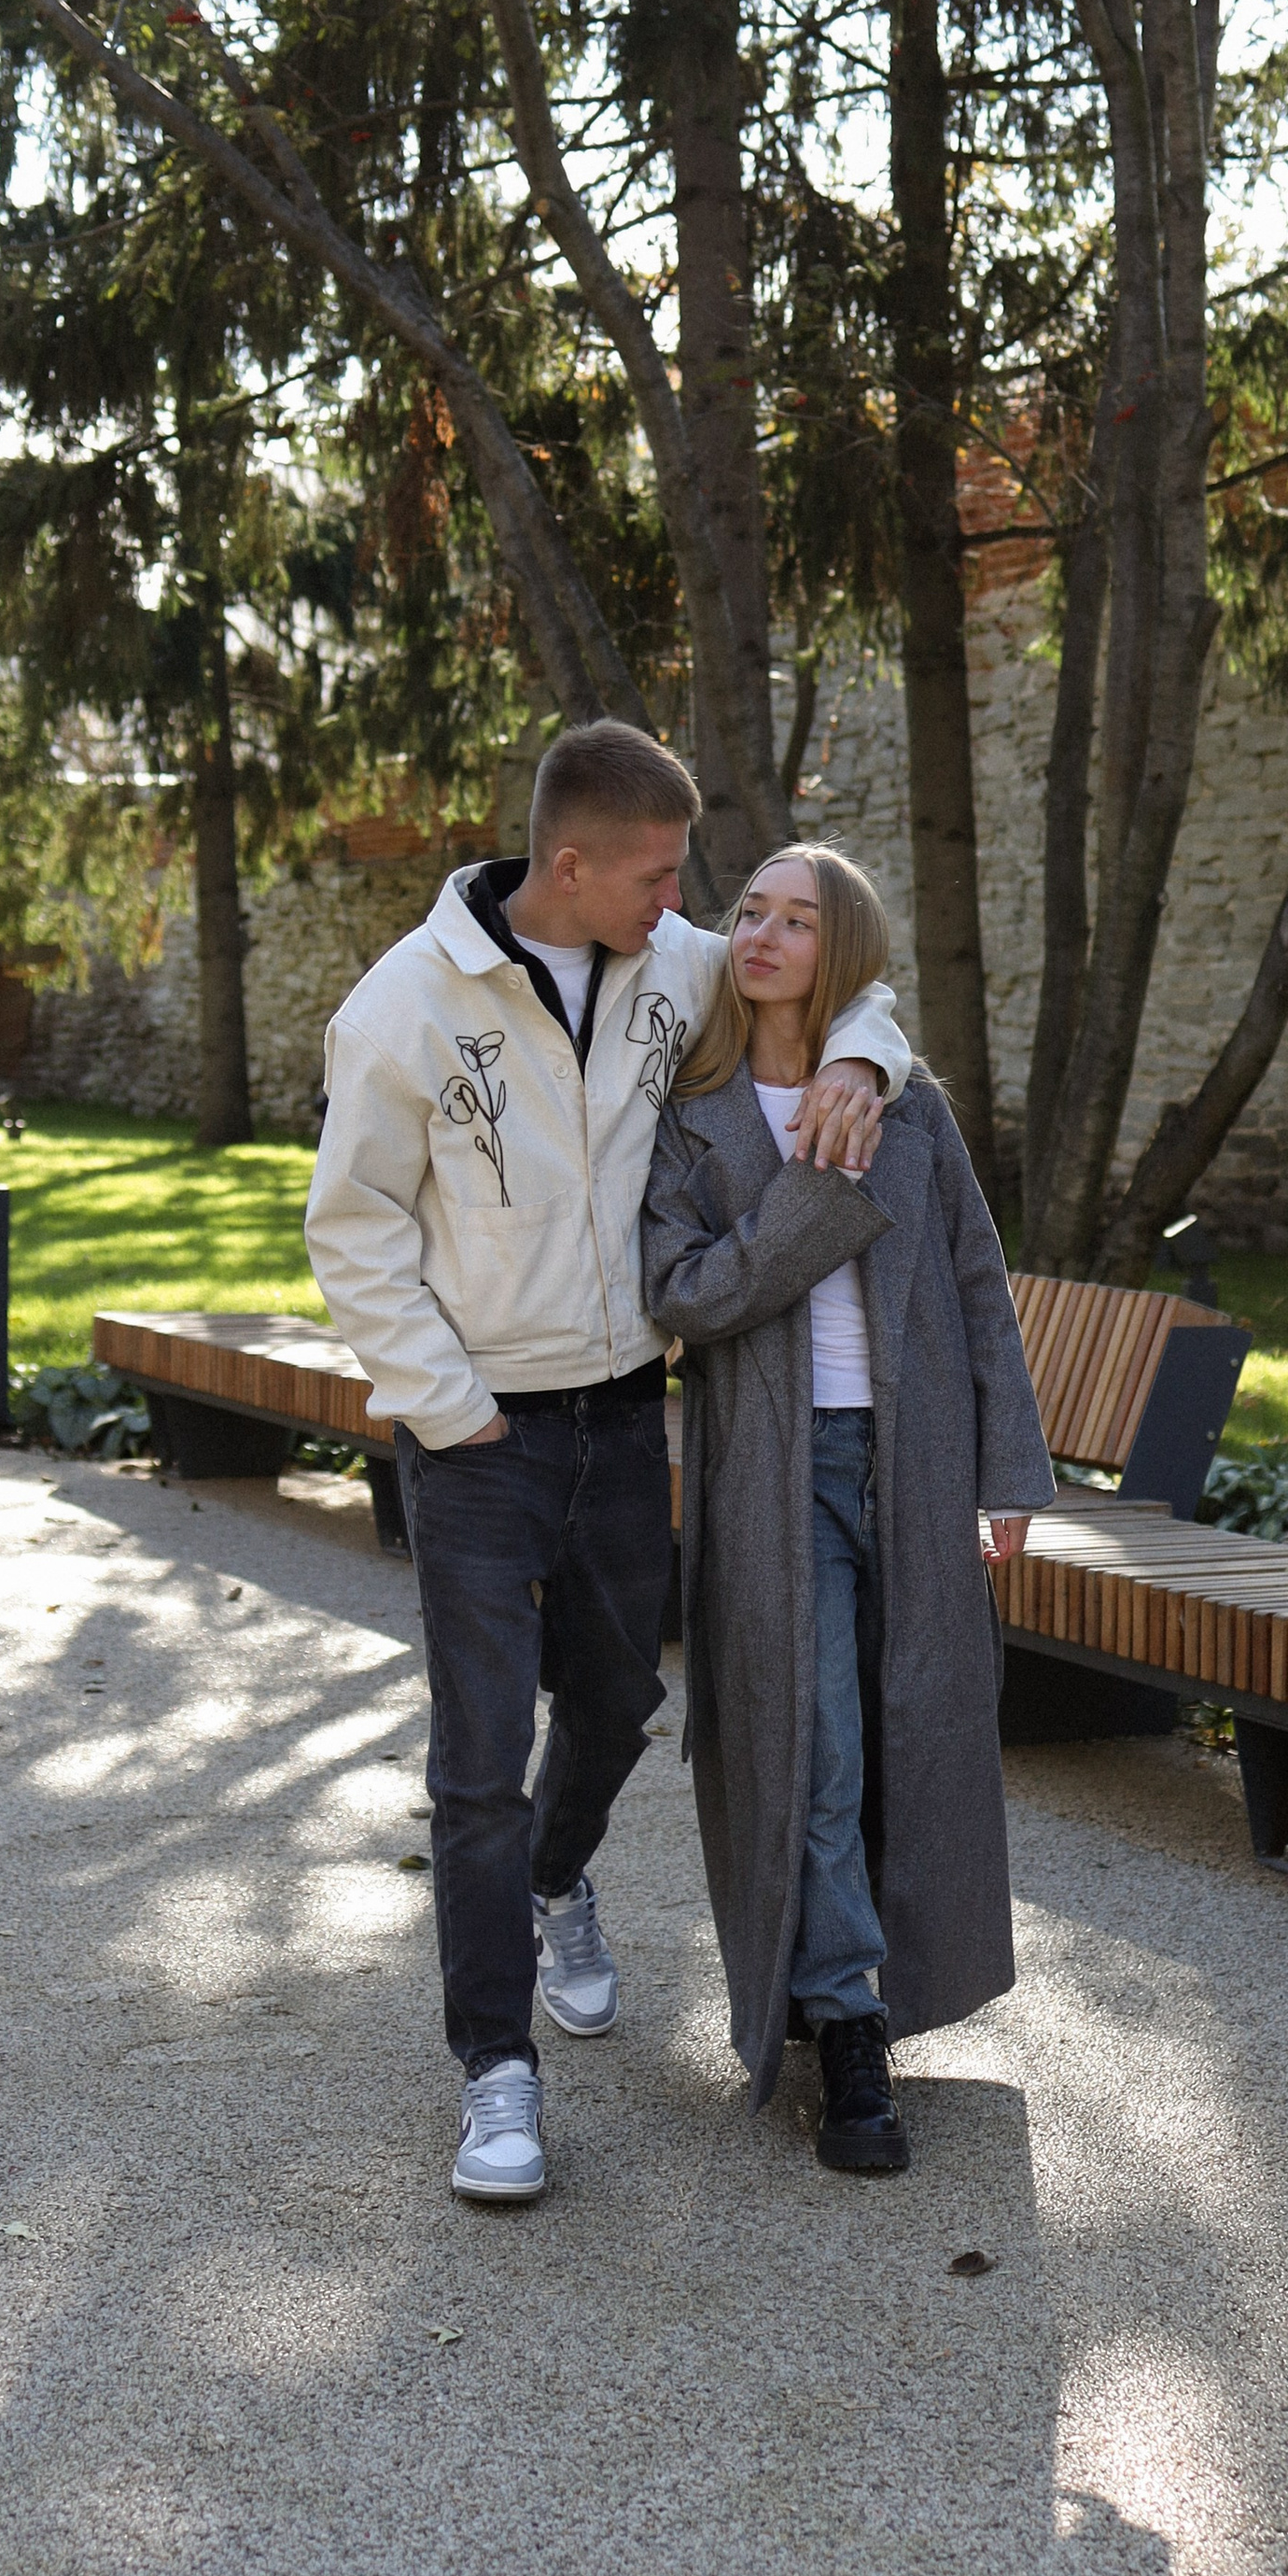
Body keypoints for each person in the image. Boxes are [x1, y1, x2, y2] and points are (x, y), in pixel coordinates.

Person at [304, 724, 912, 2202]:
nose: (681, 902)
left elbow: (839, 977)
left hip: (628, 1420)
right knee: (476, 1764)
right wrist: (450, 1407)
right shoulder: (402, 1008)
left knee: (620, 1703)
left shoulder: (669, 965)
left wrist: (862, 1057)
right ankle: (496, 2080)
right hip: (478, 1442)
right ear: (570, 865)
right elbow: (354, 1228)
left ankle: (559, 1878)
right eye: (656, 876)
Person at [641, 845, 1053, 2172]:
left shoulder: (906, 1107)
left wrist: (1008, 1470)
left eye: (797, 921)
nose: (761, 936)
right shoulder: (691, 1111)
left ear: (848, 951)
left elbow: (978, 1283)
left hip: (914, 1458)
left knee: (912, 1727)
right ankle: (848, 2022)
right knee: (809, 1742)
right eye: (748, 912)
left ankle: (873, 1980)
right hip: (772, 1477)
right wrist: (817, 1198)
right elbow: (684, 1294)